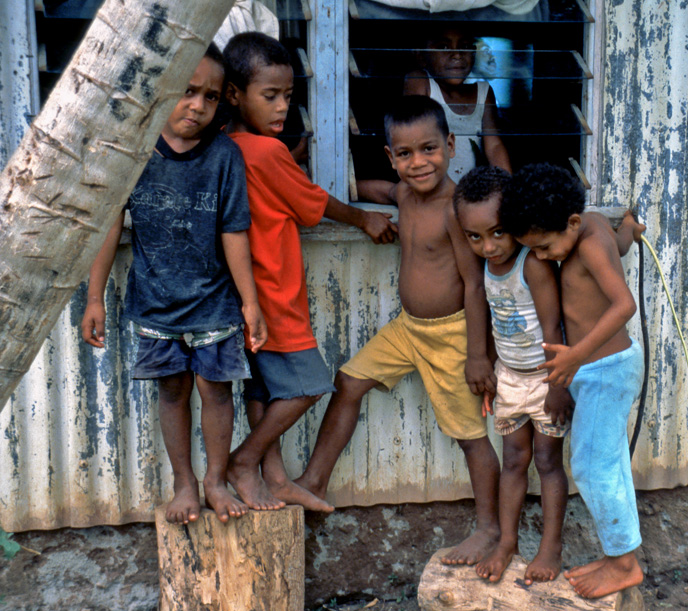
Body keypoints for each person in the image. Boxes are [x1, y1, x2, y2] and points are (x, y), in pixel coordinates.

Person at [295, 96, 501, 565]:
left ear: (450, 145)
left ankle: (489, 528)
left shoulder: (457, 208)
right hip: (409, 330)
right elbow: (370, 188)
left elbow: (474, 284)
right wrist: (346, 197)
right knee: (348, 381)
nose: (418, 163)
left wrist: (477, 355)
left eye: (429, 149)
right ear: (391, 157)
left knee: (470, 435)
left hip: (451, 335)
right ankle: (313, 481)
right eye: (404, 154)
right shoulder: (404, 194)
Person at [81, 45, 266, 525]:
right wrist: (94, 297)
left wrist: (250, 304)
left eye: (209, 96)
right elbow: (109, 226)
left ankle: (216, 481)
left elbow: (233, 231)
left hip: (215, 304)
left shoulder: (224, 155)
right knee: (171, 392)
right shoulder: (134, 150)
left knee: (217, 392)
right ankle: (185, 482)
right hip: (157, 306)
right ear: (162, 90)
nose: (197, 106)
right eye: (186, 92)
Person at [222, 32, 397, 512]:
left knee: (263, 388)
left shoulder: (225, 146)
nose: (283, 108)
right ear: (234, 95)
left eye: (289, 96)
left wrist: (289, 163)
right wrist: (364, 216)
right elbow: (311, 205)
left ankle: (274, 477)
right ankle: (245, 461)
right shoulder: (266, 153)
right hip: (275, 294)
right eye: (270, 96)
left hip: (240, 294)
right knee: (310, 384)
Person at [500, 162, 645, 599]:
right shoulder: (597, 225)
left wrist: (576, 357)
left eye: (544, 247)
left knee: (590, 466)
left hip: (605, 369)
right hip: (597, 371)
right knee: (610, 462)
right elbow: (619, 243)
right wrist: (632, 232)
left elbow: (624, 306)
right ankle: (621, 554)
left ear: (573, 223)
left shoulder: (587, 247)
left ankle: (624, 565)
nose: (542, 258)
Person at [451, 166, 572, 585]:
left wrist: (558, 385)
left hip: (544, 378)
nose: (488, 246)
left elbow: (555, 328)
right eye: (475, 237)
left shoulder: (531, 265)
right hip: (509, 377)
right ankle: (506, 542)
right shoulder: (486, 266)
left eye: (498, 232)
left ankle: (551, 547)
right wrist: (484, 362)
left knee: (546, 461)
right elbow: (485, 313)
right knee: (514, 460)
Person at [404, 26, 511, 182]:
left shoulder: (483, 93)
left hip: (468, 195)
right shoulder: (420, 82)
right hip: (430, 188)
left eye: (465, 46)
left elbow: (494, 145)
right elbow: (418, 141)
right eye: (443, 47)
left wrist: (510, 187)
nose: (457, 54)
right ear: (421, 56)